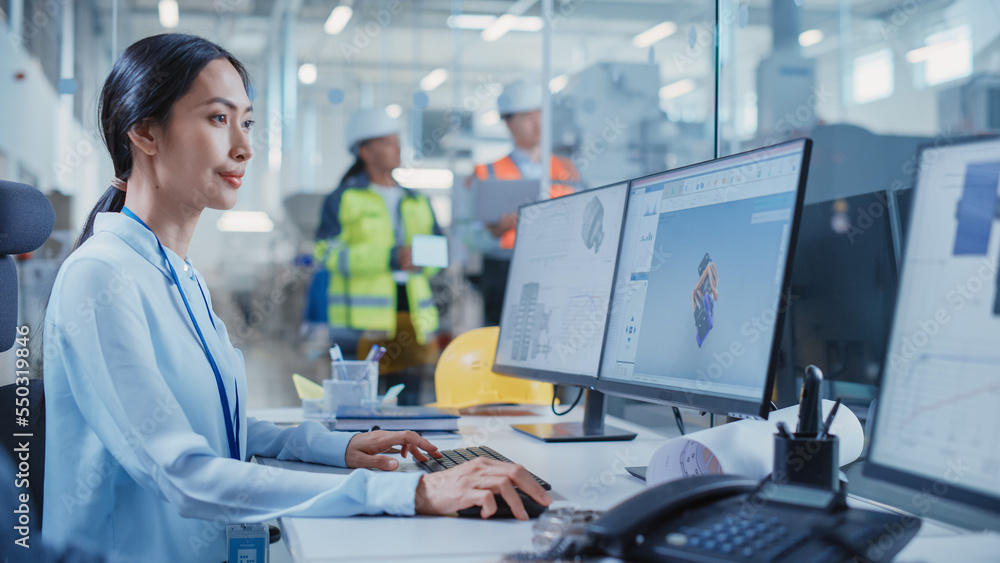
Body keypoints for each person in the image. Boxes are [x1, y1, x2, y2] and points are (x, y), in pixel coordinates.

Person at [42, 34, 550, 563]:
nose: (244, 146)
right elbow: (182, 472)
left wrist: (335, 446)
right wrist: (410, 492)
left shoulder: (178, 276)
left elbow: (217, 424)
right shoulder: (102, 277)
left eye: (247, 122)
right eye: (218, 119)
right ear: (145, 132)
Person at [314, 108, 441, 404]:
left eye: (397, 140)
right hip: (359, 322)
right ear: (365, 152)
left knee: (410, 402)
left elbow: (439, 251)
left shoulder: (418, 200)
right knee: (355, 404)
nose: (397, 148)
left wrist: (422, 260)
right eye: (387, 142)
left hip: (410, 316)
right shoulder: (343, 198)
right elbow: (326, 253)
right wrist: (388, 257)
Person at [463, 79, 582, 325]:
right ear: (508, 122)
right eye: (527, 117)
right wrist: (497, 231)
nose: (537, 123)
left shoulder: (568, 170)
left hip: (559, 268)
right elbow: (469, 235)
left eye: (540, 114)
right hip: (504, 272)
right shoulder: (487, 173)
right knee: (499, 344)